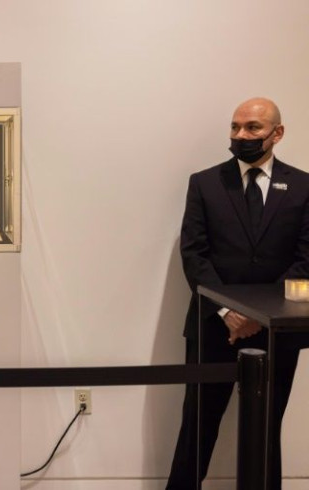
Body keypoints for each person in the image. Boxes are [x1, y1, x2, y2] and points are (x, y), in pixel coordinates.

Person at [165, 98, 309, 489]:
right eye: (235, 127)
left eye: (252, 128)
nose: (240, 135)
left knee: (266, 429)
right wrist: (230, 313)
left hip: (277, 332)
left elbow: (305, 260)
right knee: (197, 427)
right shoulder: (205, 182)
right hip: (213, 327)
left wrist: (259, 314)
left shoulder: (303, 186)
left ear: (276, 133)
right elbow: (194, 254)